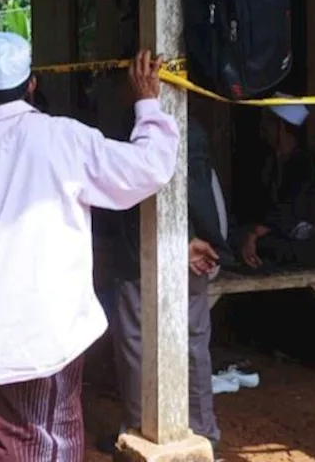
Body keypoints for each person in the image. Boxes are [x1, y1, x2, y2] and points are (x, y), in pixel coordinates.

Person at [0, 33, 177, 461]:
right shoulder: (64, 138)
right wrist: (148, 104)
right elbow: (149, 167)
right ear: (31, 85)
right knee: (52, 438)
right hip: (53, 331)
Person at [100, 103, 230, 455]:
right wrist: (204, 240)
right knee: (191, 341)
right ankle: (203, 433)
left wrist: (183, 242)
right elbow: (204, 193)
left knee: (137, 342)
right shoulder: (194, 126)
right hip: (196, 249)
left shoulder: (125, 126)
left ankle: (141, 430)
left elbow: (131, 198)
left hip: (148, 253)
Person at [235, 99, 315, 271]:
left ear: (281, 127)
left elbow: (293, 207)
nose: (264, 129)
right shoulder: (272, 161)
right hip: (278, 234)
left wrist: (256, 232)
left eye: (268, 124)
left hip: (302, 243)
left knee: (262, 246)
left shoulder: (305, 162)